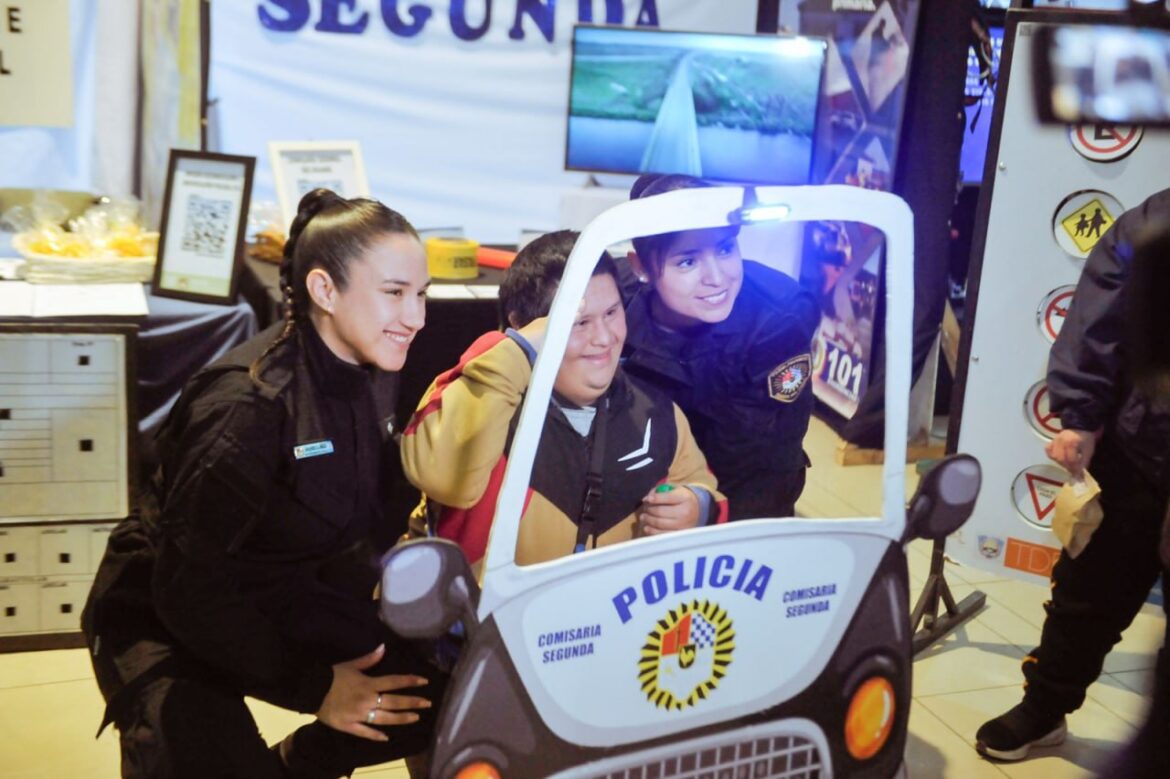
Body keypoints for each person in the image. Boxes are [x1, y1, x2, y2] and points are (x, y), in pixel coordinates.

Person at [81, 189, 445, 779]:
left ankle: (293, 767)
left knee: (434, 697)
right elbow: (187, 588)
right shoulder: (246, 406)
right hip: (164, 612)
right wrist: (317, 686)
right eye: (395, 293)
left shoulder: (372, 368)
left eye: (422, 294)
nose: (417, 317)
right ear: (325, 290)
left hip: (273, 589)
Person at [975, 188, 1170, 764]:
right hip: (1140, 448)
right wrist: (1080, 417)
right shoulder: (1158, 219)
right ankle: (1045, 708)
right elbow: (1101, 316)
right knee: (1087, 594)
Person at [400, 230, 726, 570]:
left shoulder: (657, 414)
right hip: (488, 620)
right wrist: (515, 350)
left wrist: (698, 506)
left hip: (616, 618)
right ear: (525, 328)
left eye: (612, 313)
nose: (604, 338)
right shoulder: (479, 396)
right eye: (579, 322)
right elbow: (445, 479)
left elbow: (709, 495)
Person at [620, 174, 820, 521]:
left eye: (726, 248)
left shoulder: (776, 324)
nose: (717, 277)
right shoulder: (610, 299)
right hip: (637, 473)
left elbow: (768, 465)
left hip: (739, 492)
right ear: (641, 269)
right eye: (688, 261)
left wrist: (706, 510)